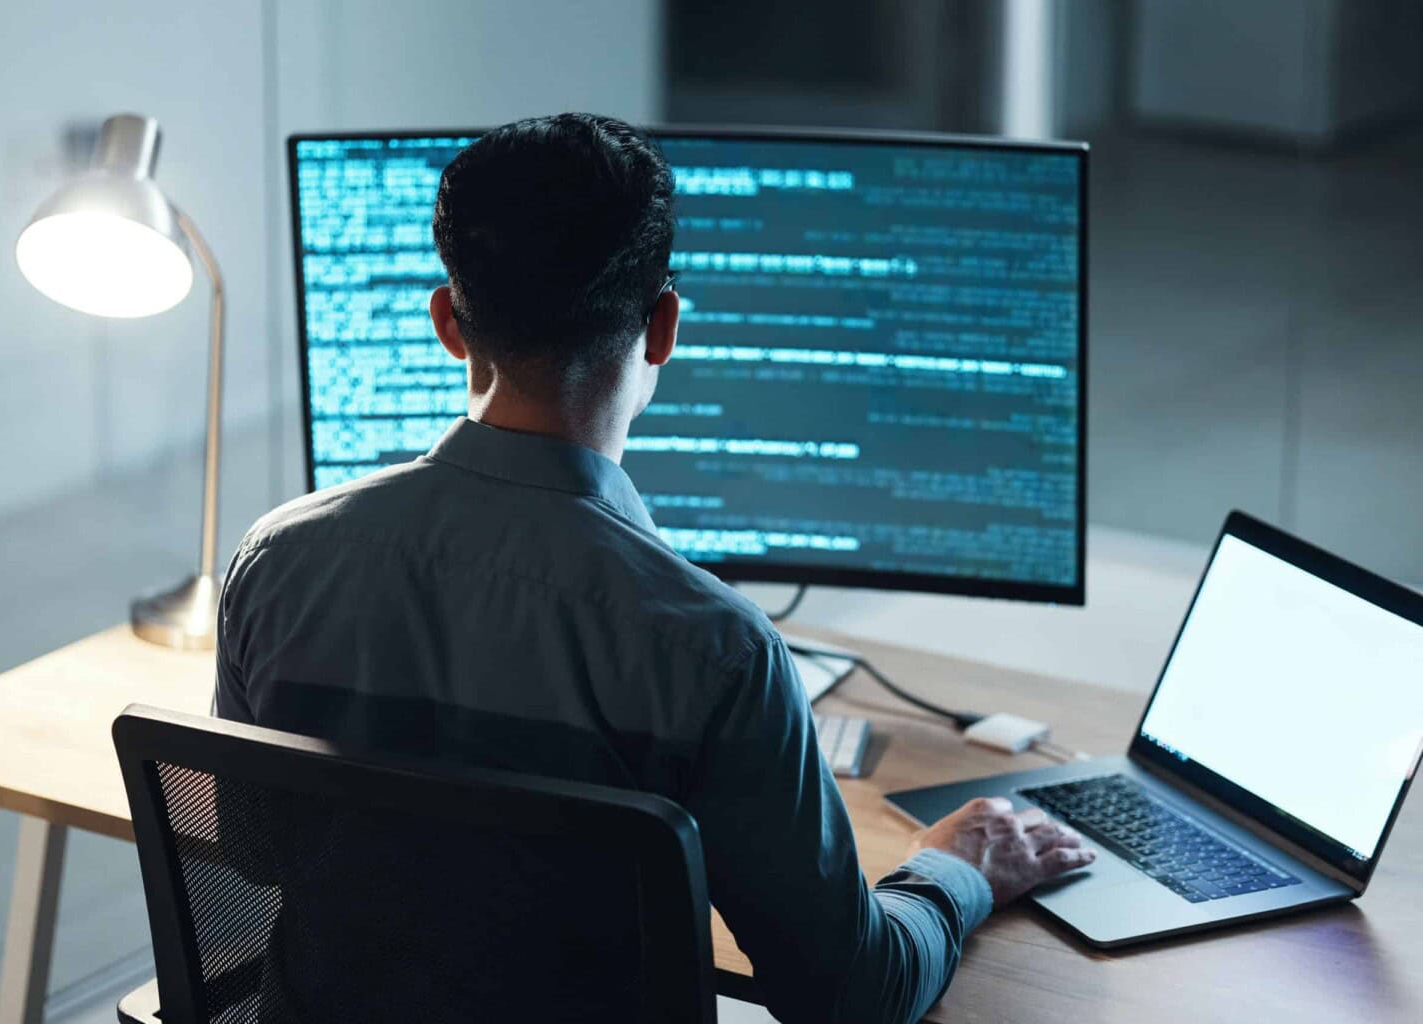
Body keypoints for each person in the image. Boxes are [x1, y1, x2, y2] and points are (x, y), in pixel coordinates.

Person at [214, 112, 1095, 1023]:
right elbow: (851, 997)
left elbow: (249, 847)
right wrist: (957, 870)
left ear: (446, 319)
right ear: (664, 326)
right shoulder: (712, 651)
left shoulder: (278, 558)